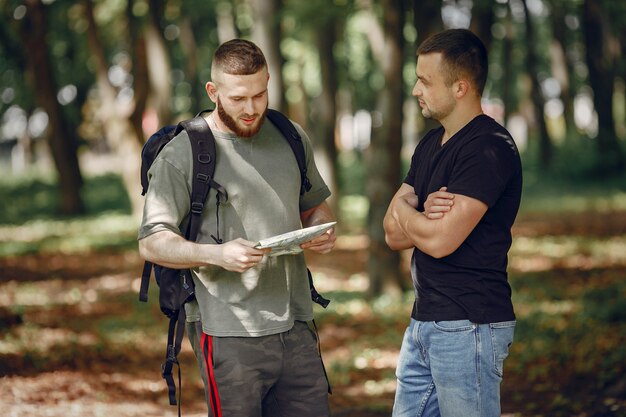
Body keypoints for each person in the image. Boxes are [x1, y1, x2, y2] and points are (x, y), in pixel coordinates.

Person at [138, 39, 335, 417]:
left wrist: (320, 228)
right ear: (213, 91)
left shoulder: (290, 135)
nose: (251, 109)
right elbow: (152, 242)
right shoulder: (182, 154)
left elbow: (314, 208)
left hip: (297, 323)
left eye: (260, 95)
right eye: (238, 98)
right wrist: (217, 254)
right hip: (227, 330)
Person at [383, 29, 522, 417]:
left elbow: (441, 240)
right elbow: (391, 234)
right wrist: (418, 217)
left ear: (460, 87)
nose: (415, 90)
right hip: (424, 323)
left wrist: (407, 211)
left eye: (425, 81)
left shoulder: (489, 148)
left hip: (470, 324)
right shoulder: (430, 145)